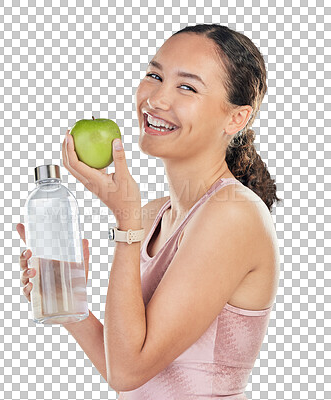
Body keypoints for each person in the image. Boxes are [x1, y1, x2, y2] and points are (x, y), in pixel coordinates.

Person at [17, 23, 282, 399]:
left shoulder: (234, 214)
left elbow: (128, 372)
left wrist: (125, 224)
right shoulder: (153, 214)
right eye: (154, 75)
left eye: (187, 86)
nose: (156, 99)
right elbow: (121, 367)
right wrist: (64, 301)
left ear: (236, 118)